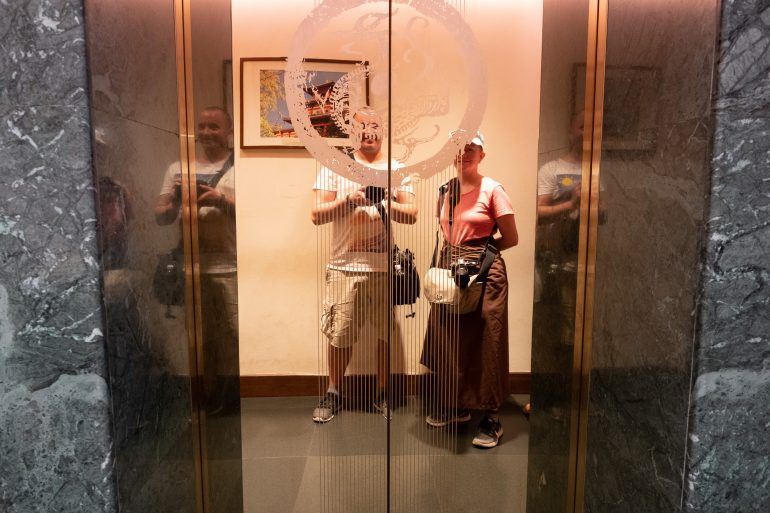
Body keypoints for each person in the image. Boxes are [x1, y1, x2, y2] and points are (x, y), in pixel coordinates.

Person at [311, 106, 417, 423]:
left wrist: (383, 199)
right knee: (339, 334)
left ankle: (383, 392)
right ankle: (333, 392)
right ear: (352, 131)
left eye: (374, 125)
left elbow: (412, 214)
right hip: (344, 265)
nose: (369, 130)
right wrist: (348, 200)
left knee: (385, 334)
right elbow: (316, 214)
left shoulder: (397, 168)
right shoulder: (335, 165)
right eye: (362, 125)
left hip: (385, 268)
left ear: (383, 130)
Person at [421, 132, 519, 449]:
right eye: (458, 148)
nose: (464, 153)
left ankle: (492, 417)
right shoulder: (444, 190)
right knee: (452, 334)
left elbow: (511, 237)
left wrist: (479, 257)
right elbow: (446, 234)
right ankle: (460, 404)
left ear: (482, 155)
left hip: (486, 271)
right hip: (451, 267)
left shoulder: (493, 190)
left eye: (471, 148)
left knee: (489, 335)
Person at [155, 106, 238, 415]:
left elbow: (257, 214)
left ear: (229, 131)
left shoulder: (240, 168)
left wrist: (220, 200)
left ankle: (231, 395)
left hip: (231, 263)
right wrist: (177, 199)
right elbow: (160, 217)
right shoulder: (178, 168)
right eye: (202, 126)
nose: (206, 132)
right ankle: (207, 394)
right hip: (191, 265)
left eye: (214, 127)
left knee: (232, 333)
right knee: (199, 335)